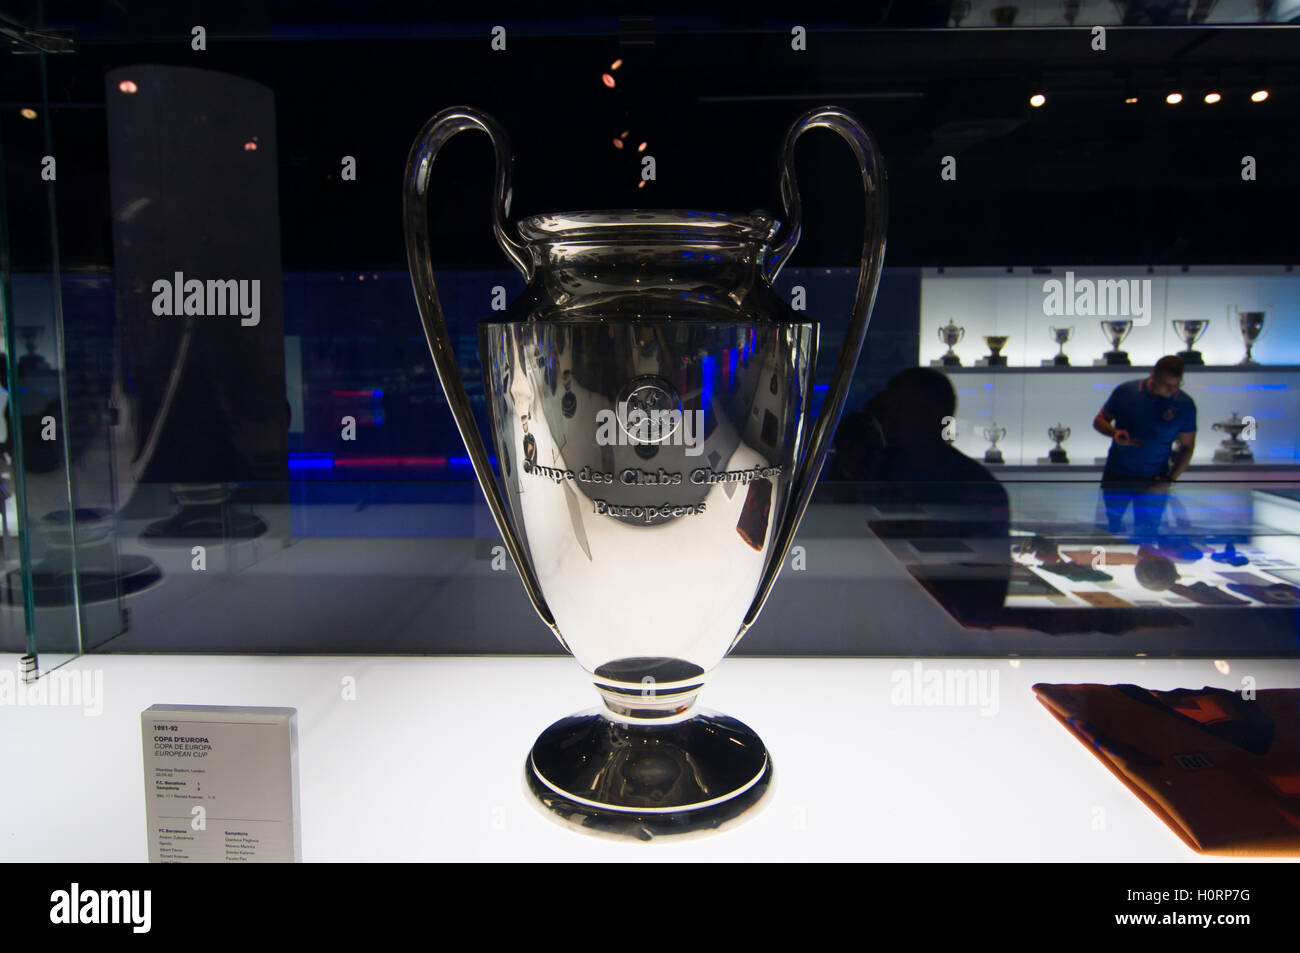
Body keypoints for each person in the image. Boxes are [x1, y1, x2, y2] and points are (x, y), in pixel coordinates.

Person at [1092, 355, 1197, 540]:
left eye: (1177, 385)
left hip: (1154, 480)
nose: (1171, 390)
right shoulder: (1126, 391)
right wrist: (1114, 433)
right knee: (1108, 532)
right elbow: (1100, 420)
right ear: (1153, 377)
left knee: (1147, 535)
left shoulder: (1185, 404)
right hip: (1117, 476)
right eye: (1166, 385)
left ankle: (1145, 567)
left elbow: (1187, 447)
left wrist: (1170, 479)